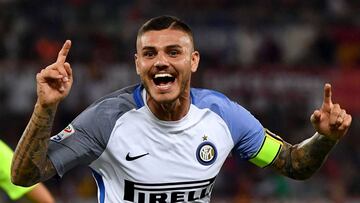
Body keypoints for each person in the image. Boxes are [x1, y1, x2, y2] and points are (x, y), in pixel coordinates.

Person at [11, 15, 352, 203]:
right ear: (137, 64)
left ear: (193, 61)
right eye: (150, 54)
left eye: (173, 52)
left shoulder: (224, 117)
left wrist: (323, 139)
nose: (161, 61)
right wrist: (45, 107)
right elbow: (23, 177)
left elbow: (293, 165)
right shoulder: (106, 119)